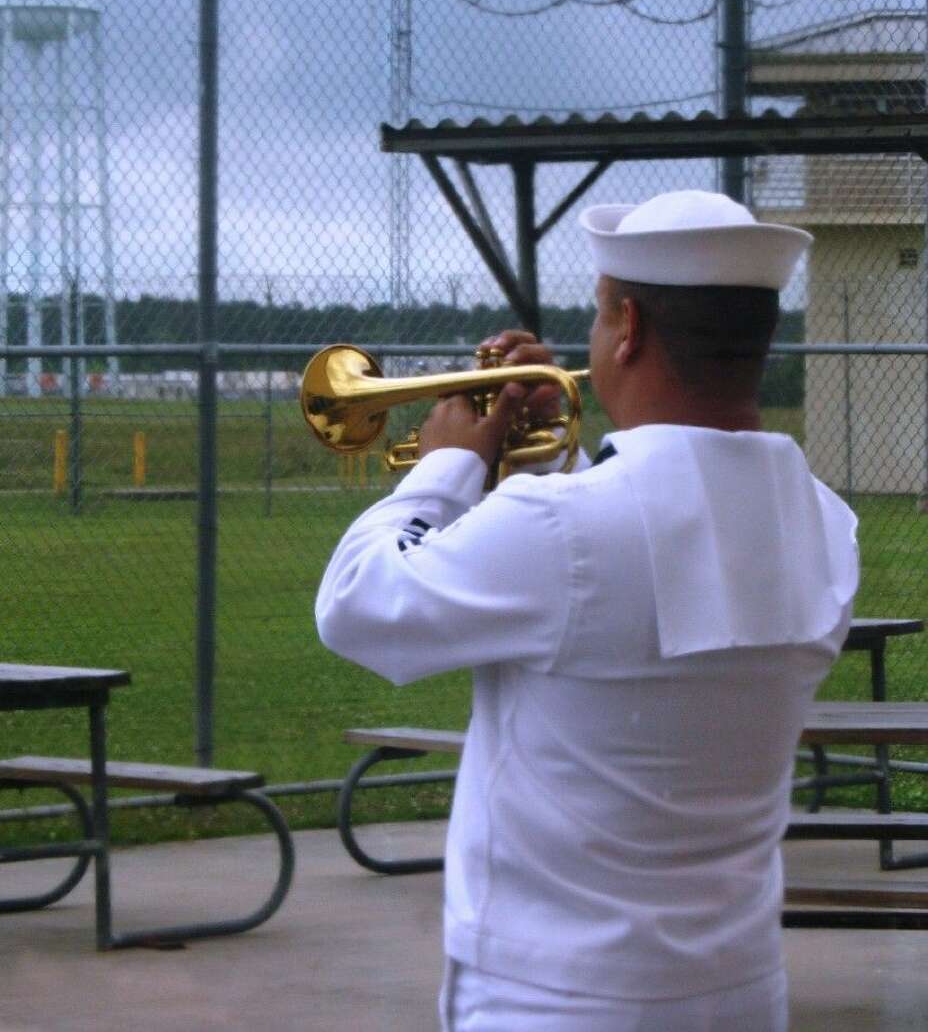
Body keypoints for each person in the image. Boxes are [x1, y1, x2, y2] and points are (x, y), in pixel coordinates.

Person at [314, 190, 859, 1031]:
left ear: (629, 328)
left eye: (600, 315)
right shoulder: (825, 522)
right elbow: (634, 561)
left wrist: (444, 468)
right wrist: (557, 457)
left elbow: (357, 606)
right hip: (740, 985)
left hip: (555, 997)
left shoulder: (559, 532)